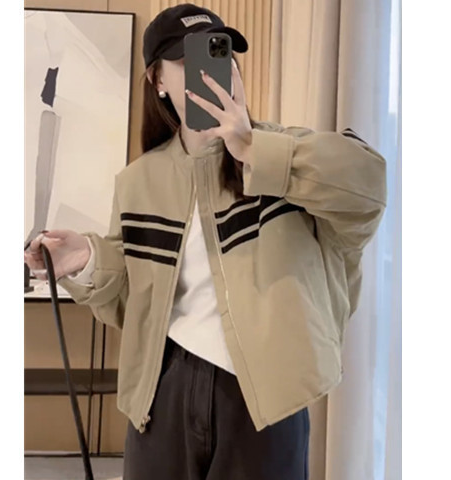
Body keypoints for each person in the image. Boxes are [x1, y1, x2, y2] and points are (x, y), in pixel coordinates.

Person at [24, 4, 387, 479]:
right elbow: (134, 301)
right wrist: (88, 259)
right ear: (157, 80)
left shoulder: (283, 153)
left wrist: (251, 147)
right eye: (186, 59)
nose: (212, 71)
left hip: (263, 399)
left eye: (221, 54)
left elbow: (367, 187)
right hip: (162, 392)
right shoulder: (139, 181)